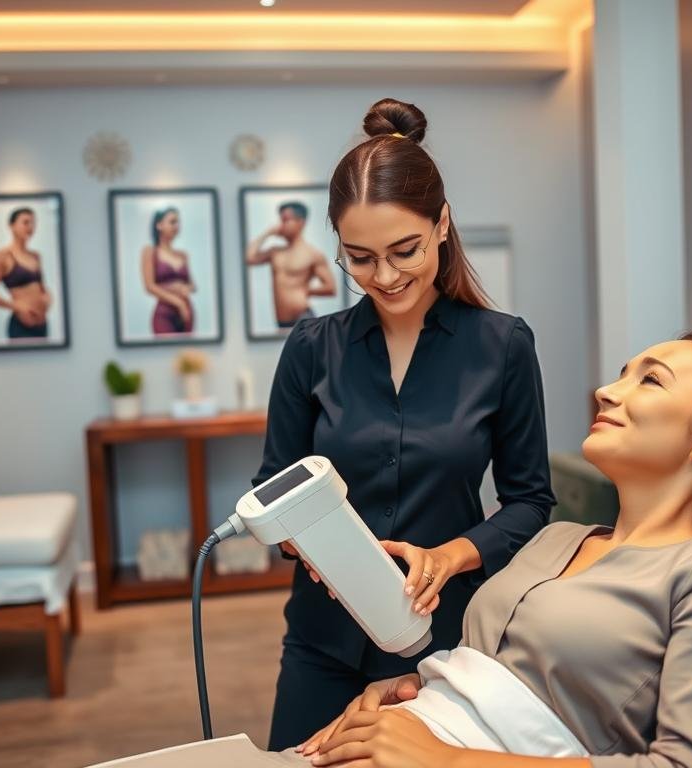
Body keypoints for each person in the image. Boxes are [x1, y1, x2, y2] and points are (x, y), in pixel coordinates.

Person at [293, 332, 692, 768]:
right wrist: (416, 688)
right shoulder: (559, 537)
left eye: (651, 380)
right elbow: (503, 672)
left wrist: (445, 758)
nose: (606, 392)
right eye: (622, 373)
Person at [254, 98, 555, 751]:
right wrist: (305, 544)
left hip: (442, 641)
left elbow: (531, 502)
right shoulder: (311, 348)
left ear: (442, 224)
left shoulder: (502, 346)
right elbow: (273, 486)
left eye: (404, 250)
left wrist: (449, 556)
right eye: (360, 258)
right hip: (322, 641)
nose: (385, 277)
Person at [246, 201, 337, 329]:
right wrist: (267, 233)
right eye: (281, 220)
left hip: (304, 319)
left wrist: (304, 290)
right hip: (282, 322)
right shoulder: (275, 252)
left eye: (286, 220)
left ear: (300, 222)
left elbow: (330, 288)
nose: (281, 225)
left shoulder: (313, 254)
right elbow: (249, 258)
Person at [0, 207, 52, 340]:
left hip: (42, 323)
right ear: (12, 226)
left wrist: (48, 296)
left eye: (33, 223)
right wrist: (17, 306)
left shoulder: (35, 256)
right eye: (26, 222)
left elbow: (41, 287)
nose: (30, 227)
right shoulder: (2, 256)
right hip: (21, 325)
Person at [141, 207, 196, 335]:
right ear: (159, 225)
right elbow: (149, 286)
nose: (176, 226)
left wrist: (186, 288)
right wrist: (178, 302)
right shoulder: (150, 252)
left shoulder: (182, 255)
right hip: (165, 312)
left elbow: (192, 284)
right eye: (172, 222)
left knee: (188, 347)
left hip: (187, 312)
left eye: (178, 222)